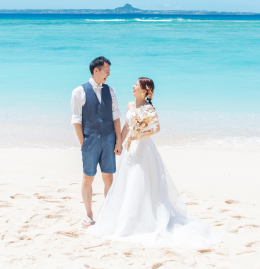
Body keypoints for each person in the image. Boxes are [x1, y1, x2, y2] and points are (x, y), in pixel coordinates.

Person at [89, 78, 219, 248]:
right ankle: (126, 218)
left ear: (145, 91)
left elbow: (156, 128)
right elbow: (127, 126)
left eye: (136, 85)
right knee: (127, 181)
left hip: (144, 148)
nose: (133, 86)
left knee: (141, 181)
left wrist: (140, 134)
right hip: (130, 147)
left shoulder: (149, 108)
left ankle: (144, 219)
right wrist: (119, 142)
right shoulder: (130, 105)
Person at [71, 56, 122, 228]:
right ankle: (89, 214)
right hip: (90, 140)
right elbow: (76, 120)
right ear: (96, 71)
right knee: (88, 178)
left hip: (109, 139)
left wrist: (118, 141)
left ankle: (108, 213)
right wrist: (82, 143)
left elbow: (116, 117)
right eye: (106, 70)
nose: (108, 74)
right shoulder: (79, 91)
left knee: (108, 177)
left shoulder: (111, 91)